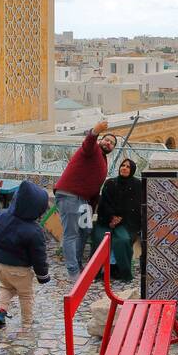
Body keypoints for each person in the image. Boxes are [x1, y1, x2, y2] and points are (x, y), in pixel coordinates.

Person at [0, 180, 52, 327]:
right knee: (25, 295)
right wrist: (43, 276)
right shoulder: (35, 231)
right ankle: (27, 322)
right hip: (20, 271)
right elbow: (39, 257)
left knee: (7, 287)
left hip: (0, 267)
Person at [52, 119, 115, 279]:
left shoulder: (102, 159)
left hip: (84, 201)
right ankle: (73, 272)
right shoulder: (92, 150)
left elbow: (94, 186)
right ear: (101, 140)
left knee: (85, 230)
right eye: (107, 140)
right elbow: (88, 142)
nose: (109, 143)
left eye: (112, 143)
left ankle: (78, 263)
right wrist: (96, 130)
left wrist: (92, 207)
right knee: (71, 233)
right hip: (70, 195)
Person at [92, 157, 143, 284]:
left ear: (132, 170)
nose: (124, 168)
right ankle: (95, 272)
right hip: (106, 220)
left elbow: (134, 207)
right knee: (100, 239)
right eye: (123, 165)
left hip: (126, 222)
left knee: (123, 240)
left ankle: (121, 271)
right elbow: (104, 203)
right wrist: (112, 217)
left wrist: (120, 218)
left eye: (128, 167)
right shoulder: (110, 183)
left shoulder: (137, 185)